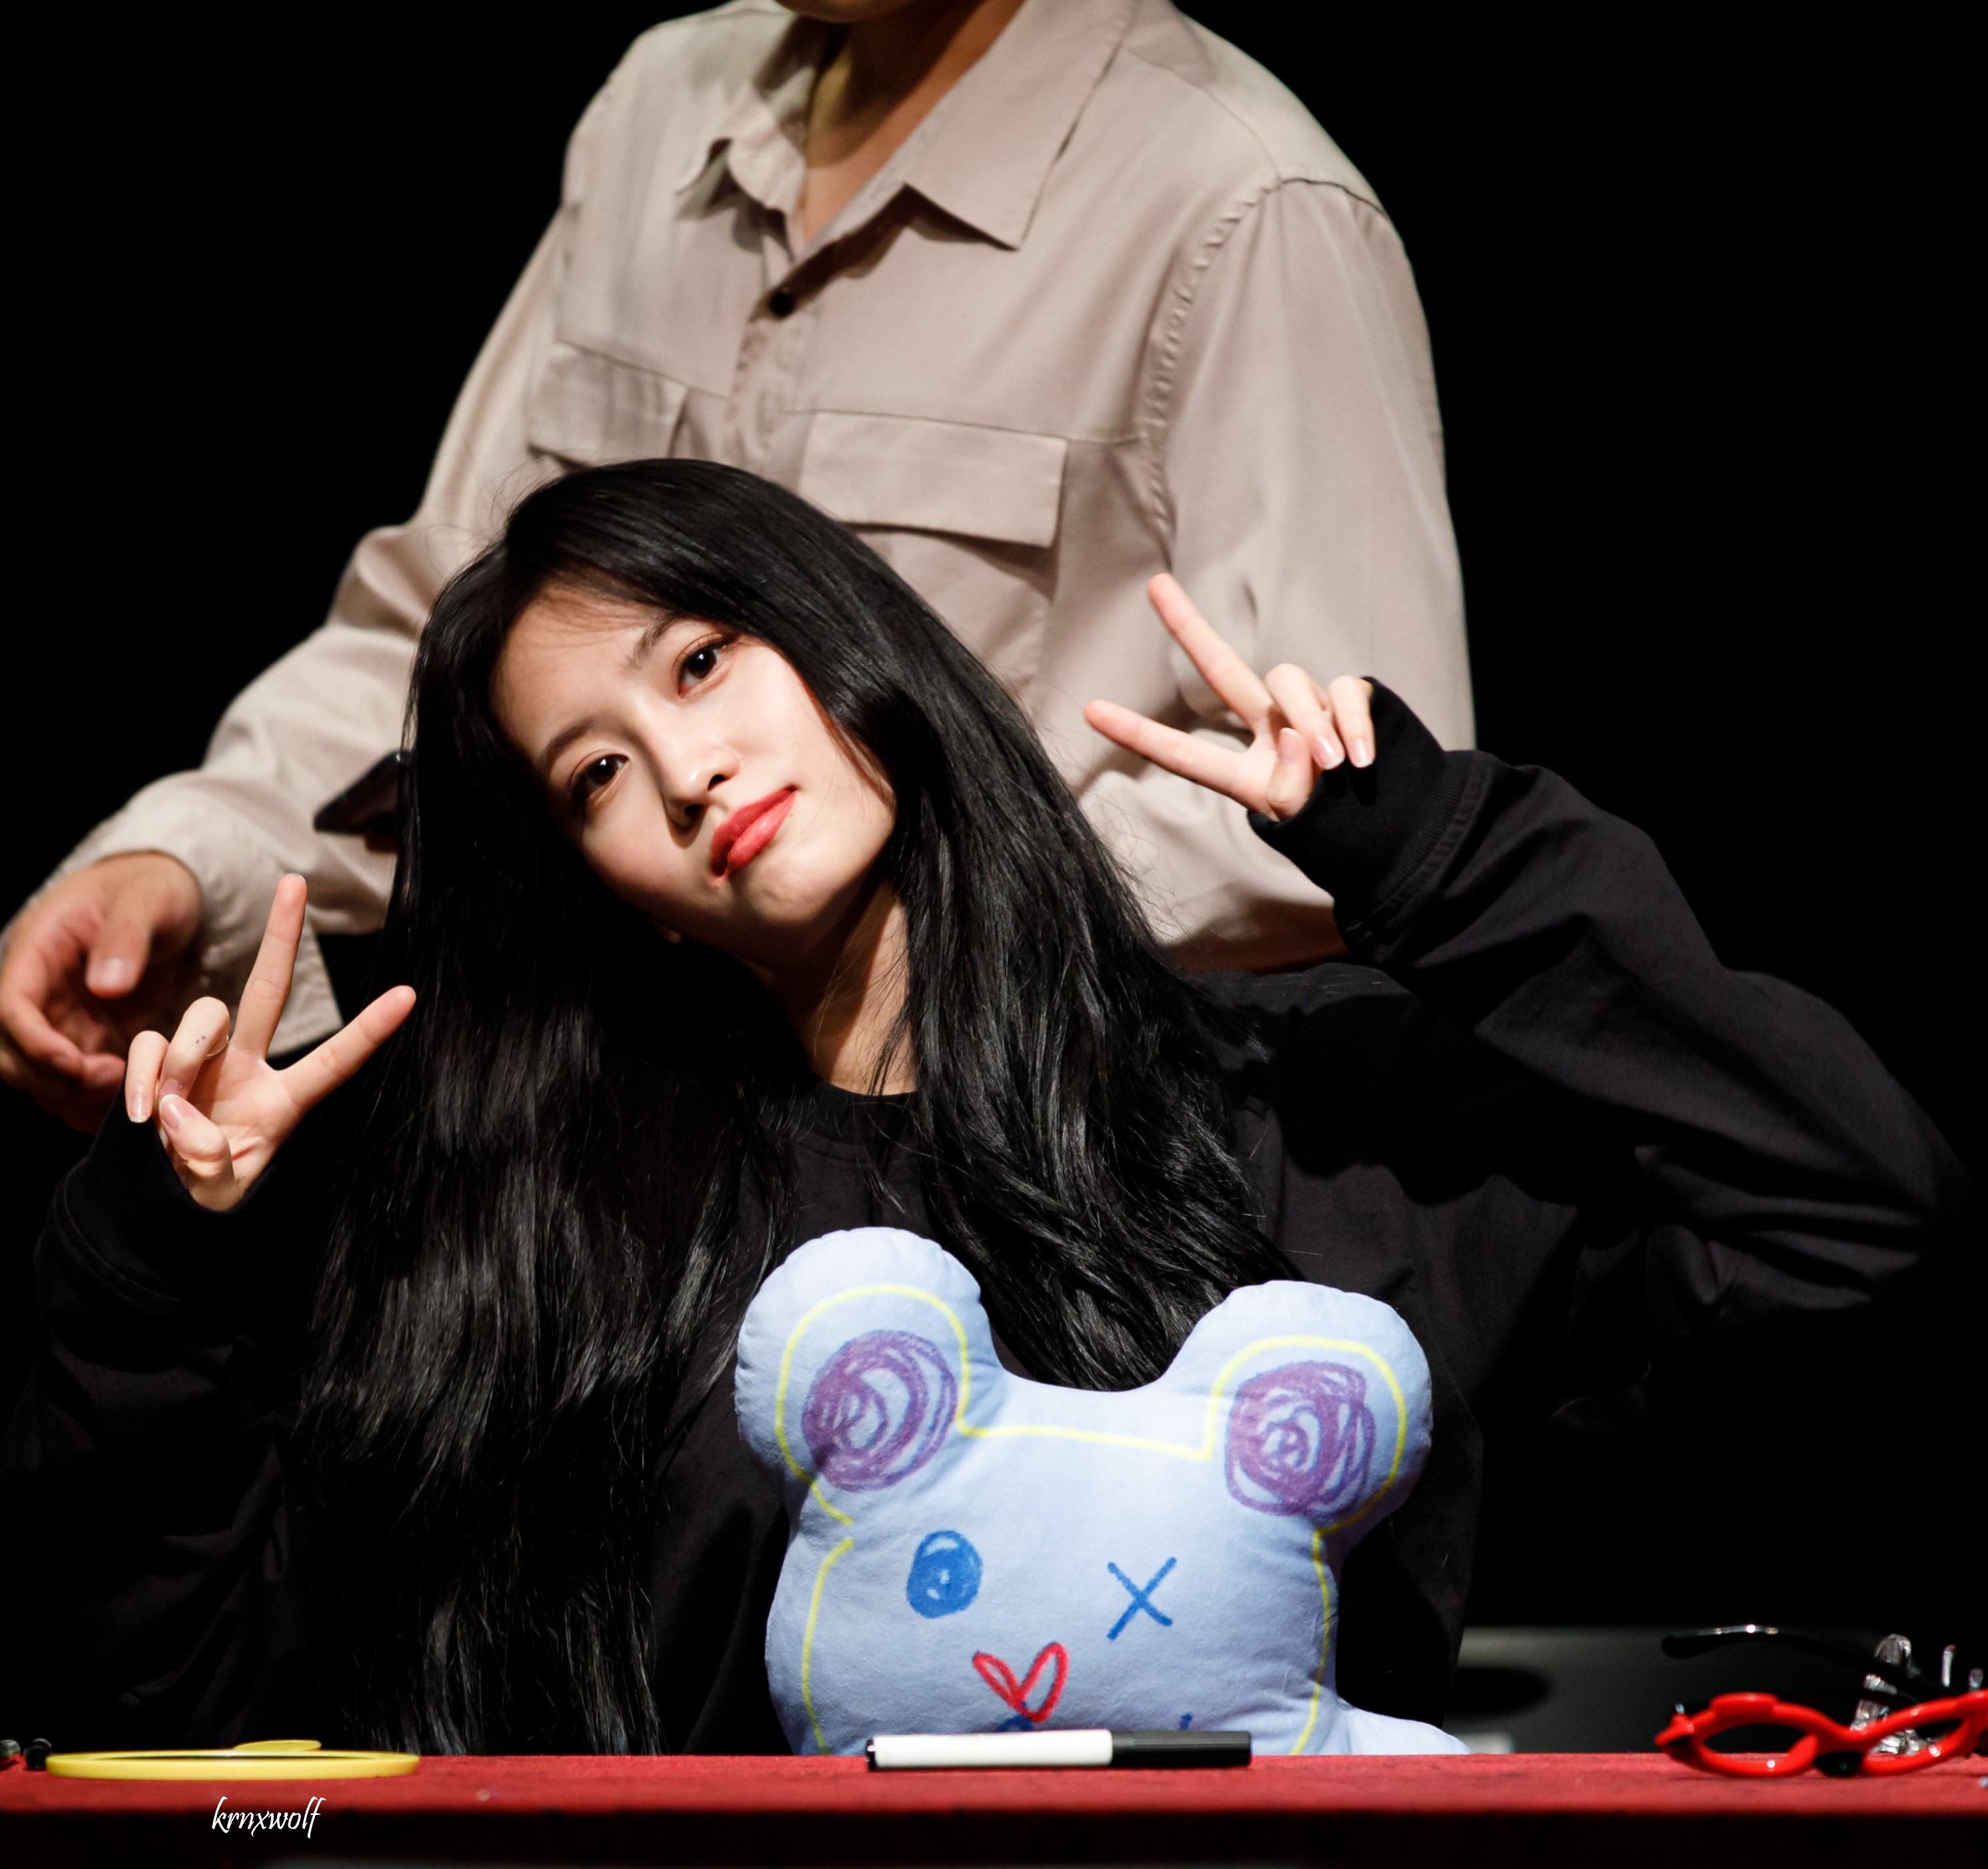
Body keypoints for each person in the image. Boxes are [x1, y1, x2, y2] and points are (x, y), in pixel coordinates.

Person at [4, 462, 1956, 1752]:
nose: (686, 768)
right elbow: (207, 1728)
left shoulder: (1299, 1112)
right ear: (608, 887)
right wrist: (148, 1261)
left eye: (705, 661)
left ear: (847, 642)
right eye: (594, 773)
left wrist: (1440, 856)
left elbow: (1843, 1198)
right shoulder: (556, 1233)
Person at [0, 0, 1473, 1128]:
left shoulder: (1235, 198)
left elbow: (1350, 793)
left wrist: (921, 957)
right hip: (647, 1177)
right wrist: (191, 855)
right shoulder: (662, 110)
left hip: (1029, 1162)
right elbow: (454, 634)